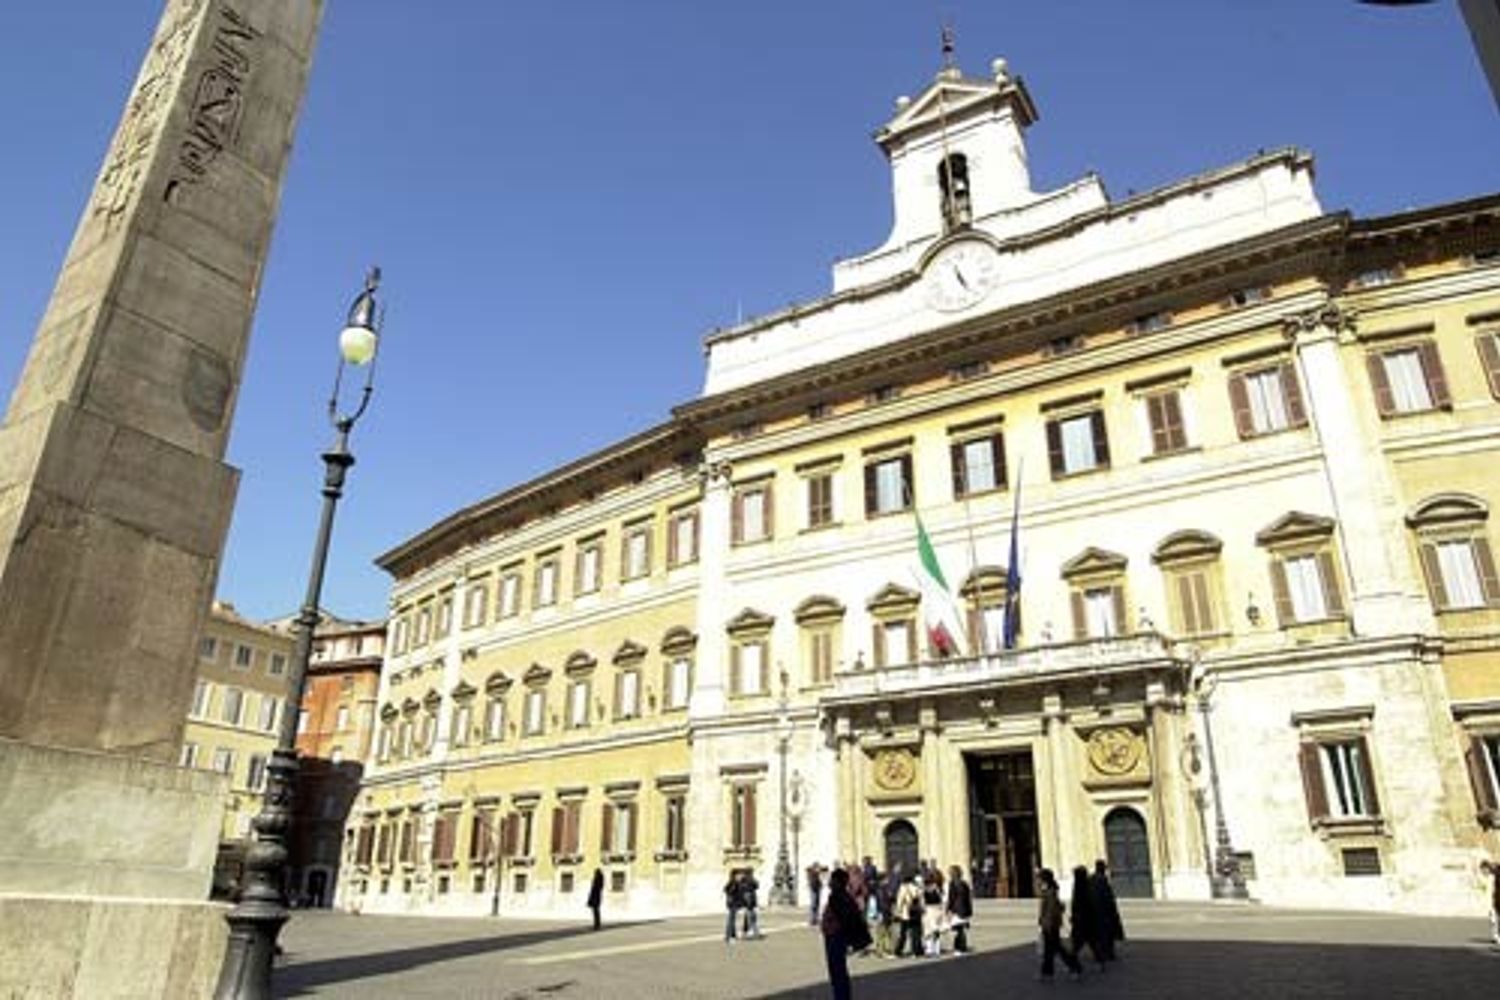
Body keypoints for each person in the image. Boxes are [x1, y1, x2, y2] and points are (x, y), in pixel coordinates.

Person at [821, 867, 872, 1000]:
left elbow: (845, 919)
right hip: (835, 936)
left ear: (837, 882)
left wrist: (849, 939)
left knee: (837, 971)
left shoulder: (838, 897)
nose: (830, 883)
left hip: (835, 937)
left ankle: (841, 997)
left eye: (832, 880)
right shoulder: (841, 896)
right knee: (838, 971)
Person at [1036, 868, 1082, 981]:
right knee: (1050, 951)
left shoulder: (1050, 892)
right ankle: (1047, 973)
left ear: (1044, 879)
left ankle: (1075, 968)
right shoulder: (1048, 890)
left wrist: (1046, 924)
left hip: (1050, 926)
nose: (1037, 880)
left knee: (1057, 950)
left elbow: (1051, 911)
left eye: (1039, 878)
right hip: (1049, 925)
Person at [1069, 864, 1105, 970]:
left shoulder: (1079, 887)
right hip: (1089, 920)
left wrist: (1075, 916)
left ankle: (1074, 967)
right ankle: (1100, 962)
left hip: (1082, 921)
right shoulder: (1088, 885)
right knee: (1092, 943)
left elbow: (1077, 904)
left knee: (1077, 945)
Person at [1090, 859, 1124, 960]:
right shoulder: (1102, 880)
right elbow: (1107, 897)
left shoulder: (1091, 879)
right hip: (1104, 912)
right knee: (1107, 933)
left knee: (1100, 934)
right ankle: (1108, 953)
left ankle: (1102, 952)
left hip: (1096, 911)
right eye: (1104, 868)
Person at [894, 871, 923, 958]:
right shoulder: (917, 887)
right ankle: (917, 951)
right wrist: (922, 910)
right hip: (916, 913)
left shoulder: (903, 888)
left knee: (903, 933)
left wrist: (898, 911)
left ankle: (898, 951)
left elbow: (900, 901)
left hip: (906, 913)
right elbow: (921, 900)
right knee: (916, 932)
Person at [946, 865, 973, 955]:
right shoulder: (964, 883)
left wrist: (949, 910)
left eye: (950, 872)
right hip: (964, 909)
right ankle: (962, 947)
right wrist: (969, 911)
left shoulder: (952, 884)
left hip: (957, 909)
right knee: (961, 930)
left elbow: (951, 898)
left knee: (958, 930)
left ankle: (958, 948)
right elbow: (968, 898)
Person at [740, 870, 762, 939]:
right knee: (752, 917)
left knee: (747, 917)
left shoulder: (743, 881)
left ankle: (745, 932)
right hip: (750, 902)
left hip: (747, 901)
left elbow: (741, 890)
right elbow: (757, 886)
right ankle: (753, 932)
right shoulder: (751, 880)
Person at [1483, 859, 1500, 947]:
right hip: (1495, 899)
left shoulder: (1496, 872)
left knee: (1495, 918)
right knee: (1494, 918)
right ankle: (1496, 936)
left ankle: (1496, 936)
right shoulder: (1494, 872)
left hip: (1496, 899)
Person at [724, 870, 743, 944]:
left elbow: (725, 890)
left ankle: (733, 936)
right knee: (731, 921)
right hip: (733, 904)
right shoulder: (734, 883)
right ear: (735, 876)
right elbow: (732, 893)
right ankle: (729, 937)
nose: (740, 876)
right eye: (739, 875)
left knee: (732, 920)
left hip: (732, 903)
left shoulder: (732, 882)